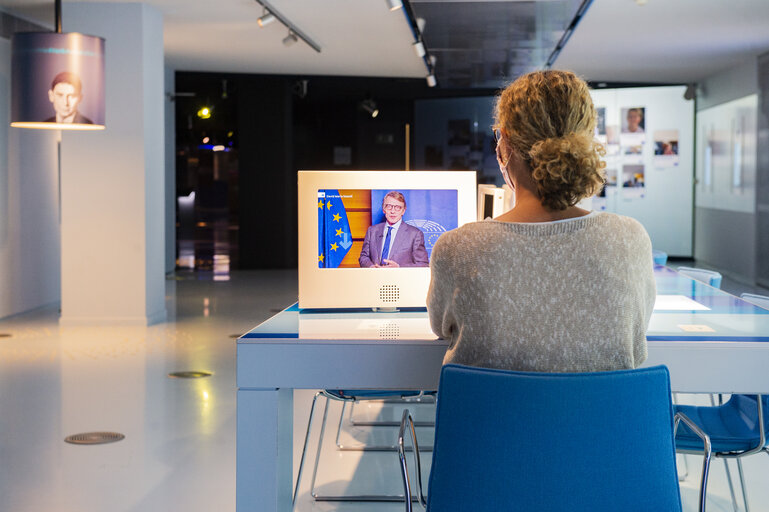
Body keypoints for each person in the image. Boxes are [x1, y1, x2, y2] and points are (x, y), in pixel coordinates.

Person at [427, 70, 656, 373]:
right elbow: (636, 333)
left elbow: (441, 328)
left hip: (489, 420)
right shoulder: (629, 238)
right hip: (604, 420)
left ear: (503, 145)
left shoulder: (458, 247)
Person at [358, 191, 429, 268]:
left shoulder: (415, 234)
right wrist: (371, 267)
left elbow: (423, 264)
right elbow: (363, 257)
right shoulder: (372, 231)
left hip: (400, 279)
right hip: (375, 278)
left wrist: (399, 267)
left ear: (403, 211)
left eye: (398, 207)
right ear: (383, 209)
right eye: (389, 206)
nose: (392, 211)